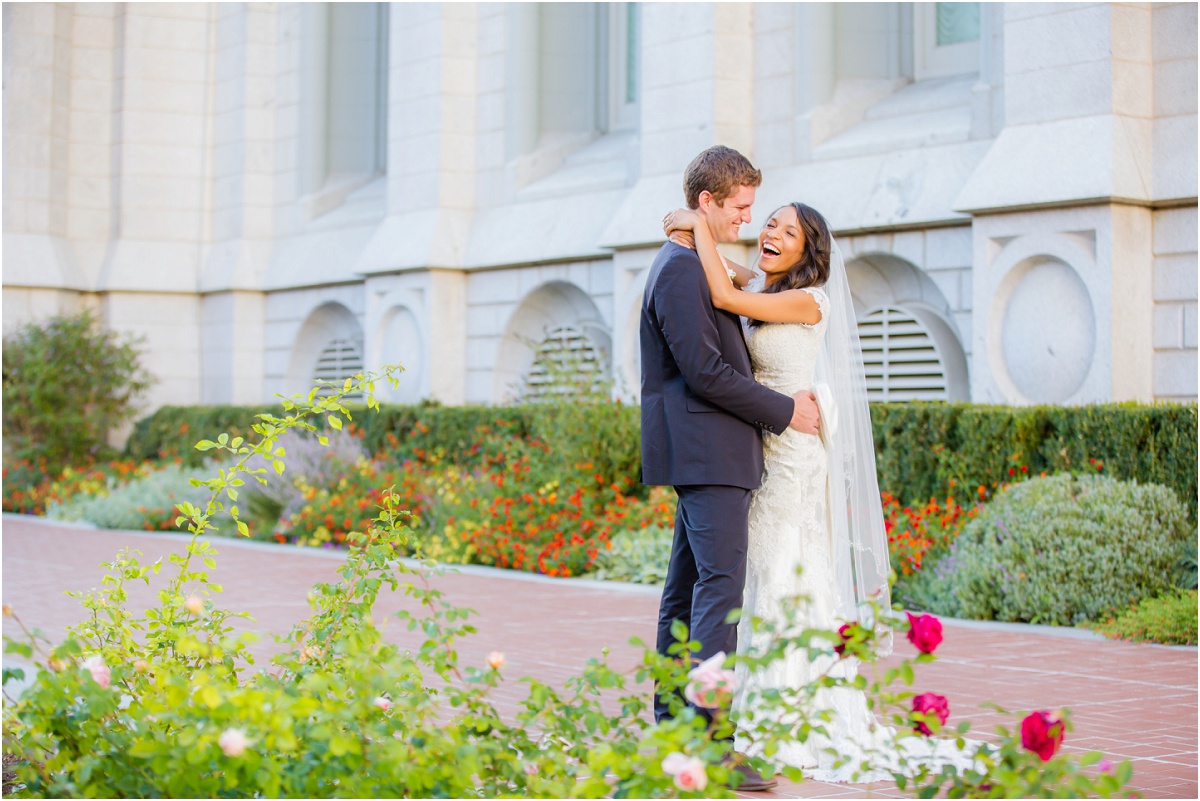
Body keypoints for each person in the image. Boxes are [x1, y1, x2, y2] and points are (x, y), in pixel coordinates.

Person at [663, 202, 979, 782]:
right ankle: (736, 707)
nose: (773, 233)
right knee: (755, 573)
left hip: (792, 454)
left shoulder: (809, 301)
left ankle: (780, 714)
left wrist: (699, 228)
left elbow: (728, 298)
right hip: (761, 448)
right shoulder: (765, 287)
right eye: (771, 224)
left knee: (782, 570)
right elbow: (733, 281)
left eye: (790, 231)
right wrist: (709, 242)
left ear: (810, 253)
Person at [639, 146, 820, 792]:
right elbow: (707, 372)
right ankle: (709, 746)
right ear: (709, 202)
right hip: (708, 453)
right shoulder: (681, 272)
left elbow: (732, 288)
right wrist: (784, 410)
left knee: (688, 595)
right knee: (718, 596)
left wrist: (688, 224)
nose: (750, 218)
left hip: (710, 453)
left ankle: (673, 731)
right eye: (740, 206)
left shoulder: (693, 260)